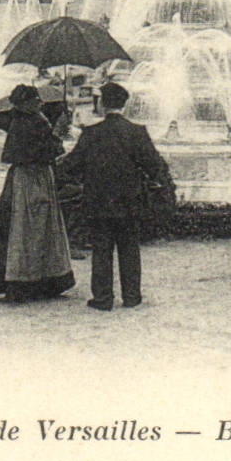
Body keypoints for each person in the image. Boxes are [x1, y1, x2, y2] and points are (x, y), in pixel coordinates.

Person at [57, 82, 175, 311]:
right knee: (130, 248)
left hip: (98, 201)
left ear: (102, 103)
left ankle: (103, 298)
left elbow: (71, 166)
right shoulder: (137, 132)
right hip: (130, 201)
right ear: (124, 105)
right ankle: (132, 296)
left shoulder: (91, 133)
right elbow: (155, 166)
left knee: (101, 250)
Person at [0, 85, 76, 302]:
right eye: (36, 100)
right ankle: (30, 282)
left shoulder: (27, 120)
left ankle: (35, 279)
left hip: (29, 178)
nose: (40, 103)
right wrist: (57, 134)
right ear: (25, 103)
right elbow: (45, 151)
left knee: (30, 227)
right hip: (30, 180)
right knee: (29, 228)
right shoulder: (30, 122)